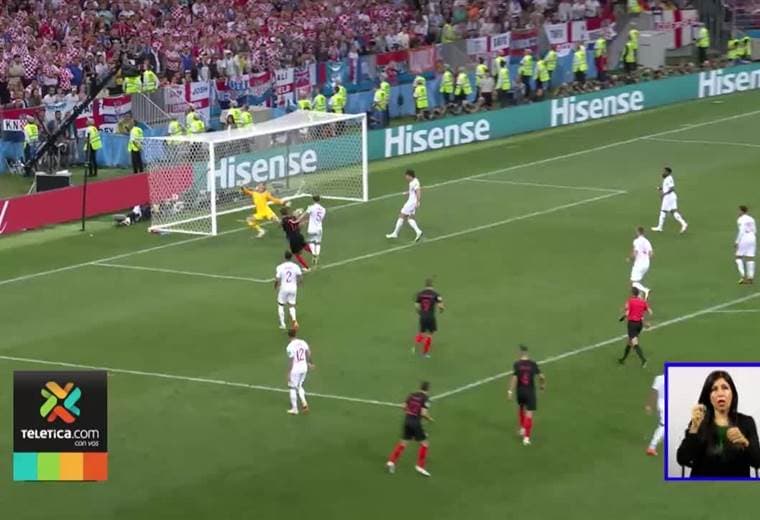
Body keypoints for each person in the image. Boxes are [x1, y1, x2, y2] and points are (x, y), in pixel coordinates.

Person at [676, 370, 760, 477]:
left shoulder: (747, 422)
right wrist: (694, 428)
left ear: (732, 394)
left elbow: (757, 462)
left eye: (725, 388)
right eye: (714, 389)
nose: (720, 393)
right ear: (708, 396)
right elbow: (682, 459)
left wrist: (745, 442)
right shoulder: (699, 422)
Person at [386, 381, 434, 477]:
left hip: (407, 421)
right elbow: (423, 413)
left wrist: (408, 410)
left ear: (420, 387)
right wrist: (430, 419)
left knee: (403, 443)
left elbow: (404, 406)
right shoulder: (426, 398)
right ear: (428, 389)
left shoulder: (412, 395)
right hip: (416, 423)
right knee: (424, 444)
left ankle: (391, 461)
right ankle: (420, 466)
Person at [508, 345, 546, 446]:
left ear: (520, 353)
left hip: (520, 392)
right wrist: (542, 386)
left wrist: (510, 391)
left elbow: (514, 378)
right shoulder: (533, 364)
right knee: (529, 414)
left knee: (521, 408)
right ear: (527, 353)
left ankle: (522, 429)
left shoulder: (517, 364)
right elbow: (542, 377)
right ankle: (526, 438)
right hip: (530, 392)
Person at [617, 286, 651, 367]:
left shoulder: (631, 301)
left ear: (632, 293)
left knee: (635, 343)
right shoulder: (643, 302)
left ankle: (643, 360)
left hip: (632, 325)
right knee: (629, 342)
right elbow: (650, 311)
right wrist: (646, 322)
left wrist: (622, 318)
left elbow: (627, 312)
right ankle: (623, 359)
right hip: (639, 324)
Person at [386, 169, 423, 241]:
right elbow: (413, 191)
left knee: (402, 215)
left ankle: (395, 233)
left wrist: (418, 201)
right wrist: (407, 192)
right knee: (410, 218)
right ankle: (418, 232)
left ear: (409, 176)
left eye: (406, 176)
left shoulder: (414, 182)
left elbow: (418, 191)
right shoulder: (413, 181)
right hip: (412, 202)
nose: (405, 178)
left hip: (411, 203)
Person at [285, 328, 313, 414]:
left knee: (292, 388)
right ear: (295, 334)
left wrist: (289, 372)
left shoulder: (289, 347)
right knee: (300, 385)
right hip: (304, 367)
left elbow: (291, 360)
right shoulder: (302, 342)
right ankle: (304, 403)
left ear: (289, 336)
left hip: (295, 369)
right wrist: (310, 362)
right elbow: (309, 352)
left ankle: (295, 409)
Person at [651, 167, 688, 233]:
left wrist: (664, 194)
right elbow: (667, 188)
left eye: (664, 171)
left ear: (668, 172)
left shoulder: (669, 178)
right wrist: (660, 188)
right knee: (673, 211)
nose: (663, 172)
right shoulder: (667, 178)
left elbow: (672, 188)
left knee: (663, 211)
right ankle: (684, 223)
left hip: (668, 198)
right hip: (670, 197)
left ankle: (660, 227)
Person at [414, 279, 444, 357]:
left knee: (421, 332)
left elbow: (416, 306)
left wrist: (420, 313)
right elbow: (440, 305)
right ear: (432, 286)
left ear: (425, 285)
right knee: (429, 334)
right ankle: (425, 353)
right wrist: (441, 309)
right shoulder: (436, 294)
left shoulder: (420, 294)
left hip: (423, 316)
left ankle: (414, 347)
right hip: (431, 317)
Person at [276, 252, 304, 331]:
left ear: (284, 257)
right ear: (291, 257)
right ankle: (294, 321)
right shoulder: (296, 266)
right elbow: (300, 277)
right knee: (291, 305)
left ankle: (283, 324)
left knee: (281, 305)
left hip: (284, 288)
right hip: (293, 288)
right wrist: (298, 284)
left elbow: (277, 279)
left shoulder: (280, 267)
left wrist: (276, 286)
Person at [299, 195, 326, 266]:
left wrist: (298, 220)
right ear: (319, 200)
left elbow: (304, 215)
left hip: (312, 228)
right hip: (319, 228)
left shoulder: (311, 207)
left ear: (313, 200)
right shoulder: (323, 209)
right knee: (318, 243)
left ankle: (314, 253)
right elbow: (320, 218)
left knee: (311, 242)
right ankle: (317, 255)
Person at [628, 226, 653, 300]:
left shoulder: (636, 241)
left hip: (639, 264)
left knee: (633, 282)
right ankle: (640, 296)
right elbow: (651, 254)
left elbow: (635, 252)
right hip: (647, 264)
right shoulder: (647, 241)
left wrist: (630, 258)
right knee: (638, 281)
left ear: (638, 232)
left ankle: (645, 290)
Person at [735, 205, 756, 284]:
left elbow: (741, 231)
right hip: (752, 237)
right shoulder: (751, 218)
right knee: (750, 257)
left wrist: (737, 241)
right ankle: (751, 277)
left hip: (744, 237)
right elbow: (755, 230)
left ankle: (743, 276)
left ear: (742, 211)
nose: (737, 212)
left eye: (738, 210)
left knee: (738, 257)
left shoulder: (740, 219)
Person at [645, 373, 665, 456]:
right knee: (663, 425)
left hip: (660, 403)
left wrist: (649, 405)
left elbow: (653, 392)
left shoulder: (658, 378)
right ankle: (651, 447)